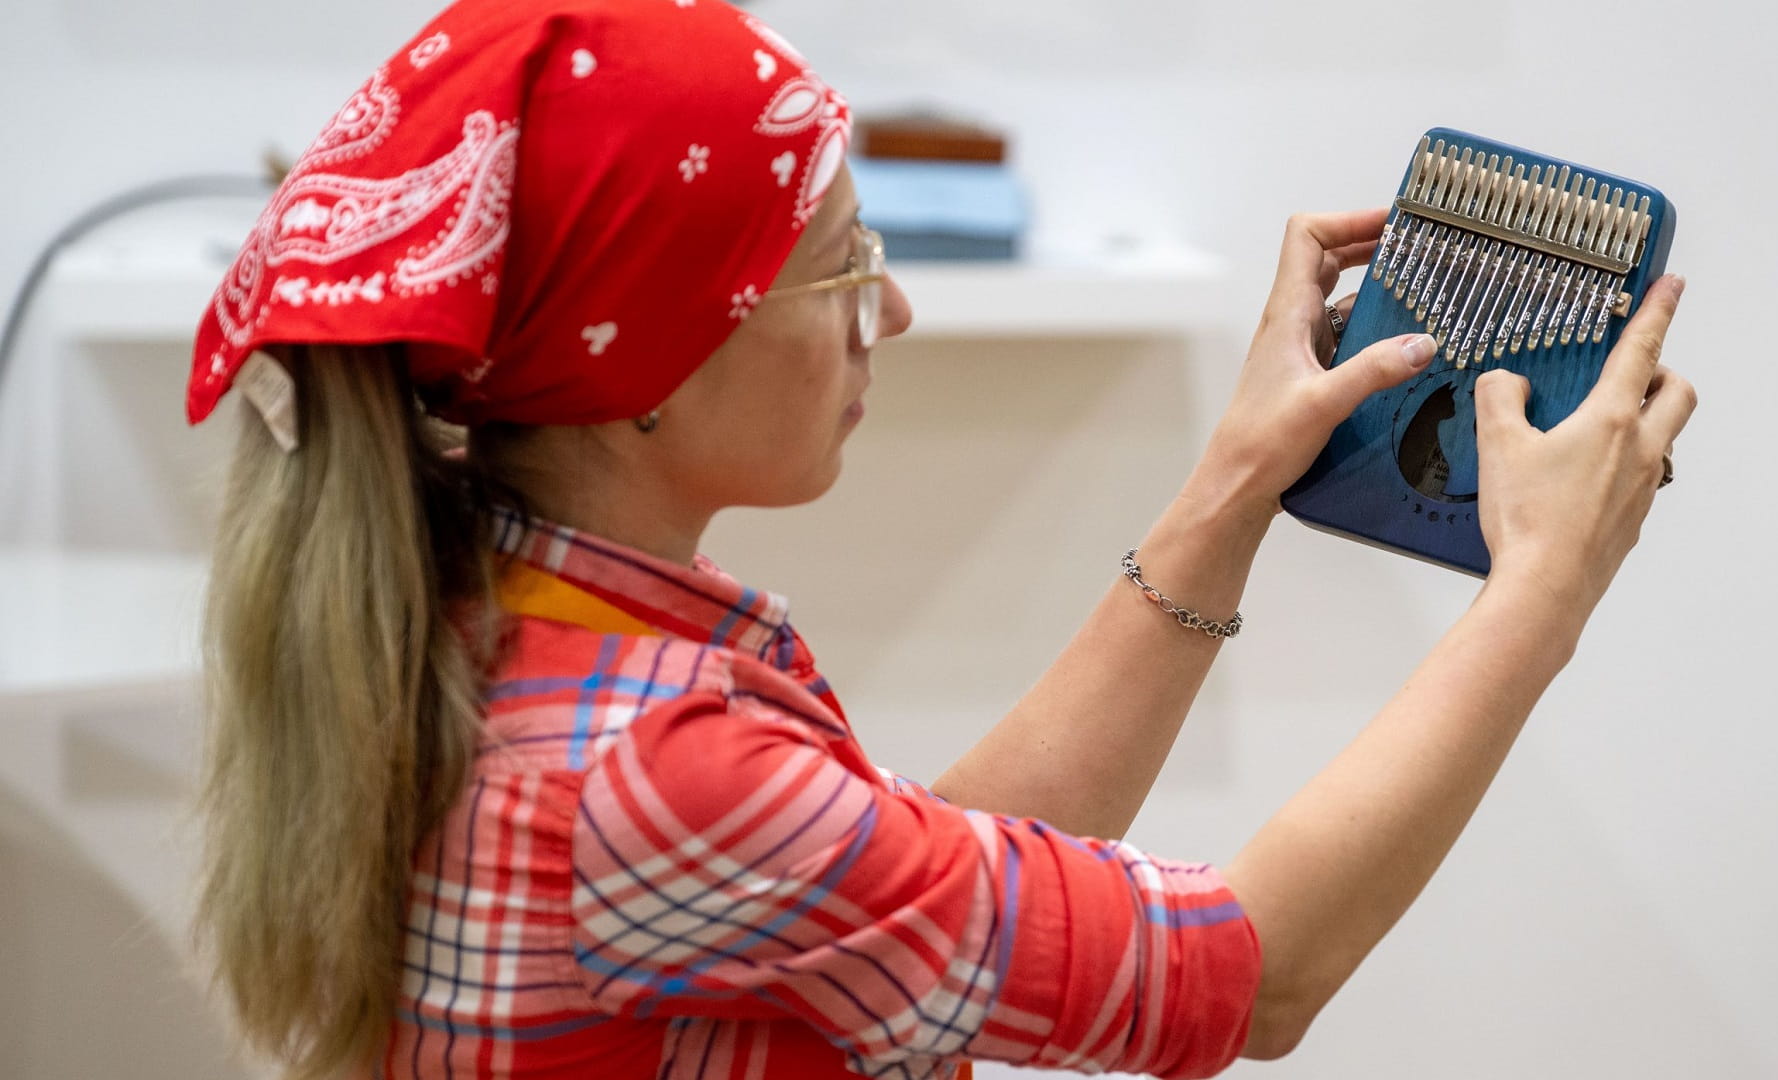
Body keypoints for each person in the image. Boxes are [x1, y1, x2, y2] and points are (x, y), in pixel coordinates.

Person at [186, 1, 1696, 1078]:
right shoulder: (652, 775)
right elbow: (1259, 974)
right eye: (839, 265)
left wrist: (1240, 478)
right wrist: (1541, 593)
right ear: (646, 358)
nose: (891, 311)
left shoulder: (491, 617)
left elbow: (919, 877)